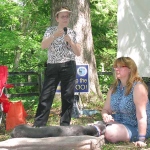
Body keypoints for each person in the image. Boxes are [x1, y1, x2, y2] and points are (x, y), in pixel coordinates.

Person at [33, 6, 81, 127]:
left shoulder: (72, 33)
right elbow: (43, 46)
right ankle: (39, 125)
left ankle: (65, 125)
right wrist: (54, 35)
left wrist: (70, 42)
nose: (65, 18)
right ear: (57, 18)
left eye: (67, 16)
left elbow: (78, 52)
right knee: (46, 95)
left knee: (68, 96)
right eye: (62, 16)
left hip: (69, 65)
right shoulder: (50, 30)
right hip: (53, 66)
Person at [101, 56, 150, 147]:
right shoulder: (113, 88)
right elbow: (105, 109)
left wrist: (141, 139)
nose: (116, 69)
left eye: (120, 67)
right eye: (115, 67)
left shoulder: (138, 87)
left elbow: (142, 117)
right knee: (94, 126)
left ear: (130, 69)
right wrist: (106, 116)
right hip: (118, 123)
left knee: (109, 132)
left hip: (137, 127)